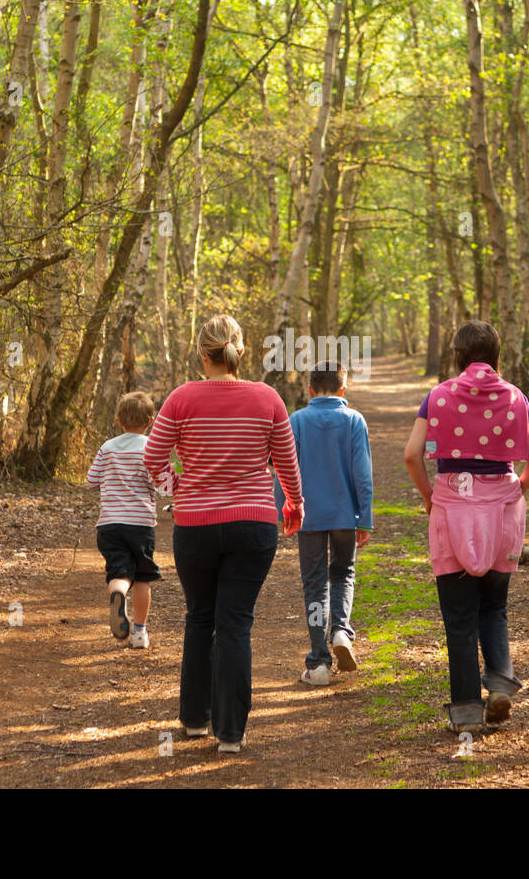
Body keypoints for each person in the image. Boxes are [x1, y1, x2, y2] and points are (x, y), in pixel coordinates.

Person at [144, 314, 304, 754]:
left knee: (199, 618)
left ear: (202, 354)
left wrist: (180, 489)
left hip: (195, 527)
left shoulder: (180, 399)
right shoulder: (267, 398)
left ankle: (196, 720)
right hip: (252, 526)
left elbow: (152, 459)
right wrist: (295, 504)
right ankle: (230, 733)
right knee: (235, 623)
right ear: (241, 350)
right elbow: (287, 465)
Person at [403, 320, 529, 734]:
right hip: (502, 511)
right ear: (496, 357)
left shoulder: (437, 397)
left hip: (452, 510)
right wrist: (516, 488)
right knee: (494, 606)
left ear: (458, 357)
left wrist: (431, 498)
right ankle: (500, 681)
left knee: (459, 616)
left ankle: (467, 711)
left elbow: (413, 454)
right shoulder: (516, 397)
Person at [273, 361, 374, 687]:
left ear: (310, 390)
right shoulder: (354, 420)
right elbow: (363, 475)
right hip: (345, 517)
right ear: (343, 390)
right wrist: (365, 518)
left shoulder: (297, 420)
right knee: (343, 573)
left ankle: (318, 662)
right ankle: (341, 631)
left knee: (315, 584)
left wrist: (282, 511)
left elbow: (283, 469)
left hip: (308, 518)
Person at [86, 391, 171, 650]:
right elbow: (161, 486)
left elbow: (91, 480)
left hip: (109, 524)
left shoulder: (107, 447)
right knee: (143, 578)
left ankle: (118, 594)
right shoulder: (150, 448)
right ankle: (138, 632)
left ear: (118, 420)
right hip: (140, 524)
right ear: (151, 421)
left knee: (119, 571)